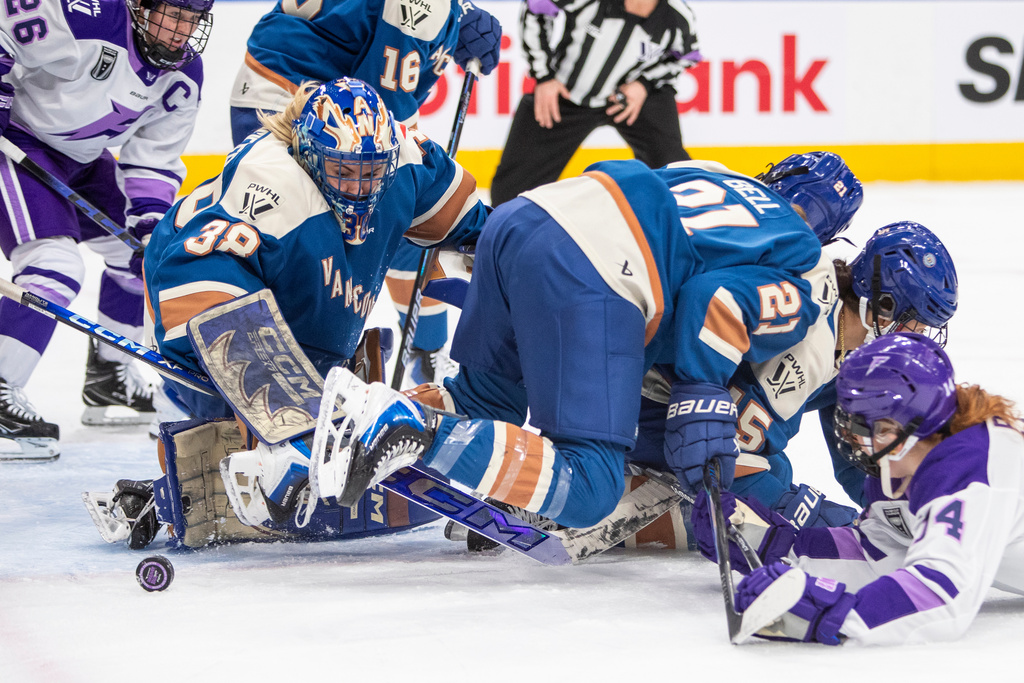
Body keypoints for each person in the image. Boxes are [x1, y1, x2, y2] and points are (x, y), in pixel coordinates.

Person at [230, 152, 862, 532]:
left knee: (483, 405)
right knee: (590, 485)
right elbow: (712, 303)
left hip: (521, 219)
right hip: (597, 269)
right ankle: (401, 425)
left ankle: (297, 461)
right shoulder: (802, 261)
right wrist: (700, 392)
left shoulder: (712, 172)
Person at [84, 77, 490, 549]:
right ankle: (182, 471)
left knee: (323, 405)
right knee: (222, 431)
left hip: (309, 314)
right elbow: (201, 289)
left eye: (371, 172)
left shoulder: (405, 160)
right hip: (192, 290)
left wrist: (507, 251)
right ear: (310, 155)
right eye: (343, 170)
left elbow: (473, 222)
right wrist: (294, 426)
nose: (360, 188)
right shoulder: (268, 181)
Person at [229, 0, 502, 387]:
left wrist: (460, 17)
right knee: (321, 234)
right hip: (290, 102)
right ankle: (284, 369)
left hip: (301, 92)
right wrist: (425, 181)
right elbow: (383, 114)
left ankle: (427, 354)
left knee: (399, 215)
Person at [627, 217, 959, 533]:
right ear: (883, 304)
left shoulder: (849, 345)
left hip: (671, 393)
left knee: (775, 469)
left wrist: (901, 508)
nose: (917, 337)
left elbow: (857, 456)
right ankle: (615, 484)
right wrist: (823, 522)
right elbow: (735, 463)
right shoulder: (808, 342)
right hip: (638, 399)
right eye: (914, 322)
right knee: (753, 486)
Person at [691, 332, 1024, 645]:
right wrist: (776, 544)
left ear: (898, 426)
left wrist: (837, 616)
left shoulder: (976, 464)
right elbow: (877, 551)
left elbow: (942, 596)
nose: (850, 436)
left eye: (860, 423)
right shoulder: (897, 468)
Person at [0, 0, 214, 460]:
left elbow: (152, 159)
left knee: (143, 259)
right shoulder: (87, 16)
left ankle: (109, 379)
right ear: (140, 6)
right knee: (52, 265)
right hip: (16, 141)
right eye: (173, 14)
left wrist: (149, 224)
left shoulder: (183, 77)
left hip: (81, 159)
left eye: (192, 19)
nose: (182, 30)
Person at [489, 0, 700, 206]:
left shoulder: (677, 15)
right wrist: (544, 77)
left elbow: (685, 56)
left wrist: (643, 85)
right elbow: (536, 7)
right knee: (510, 194)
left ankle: (688, 227)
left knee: (674, 173)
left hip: (630, 100)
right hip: (568, 95)